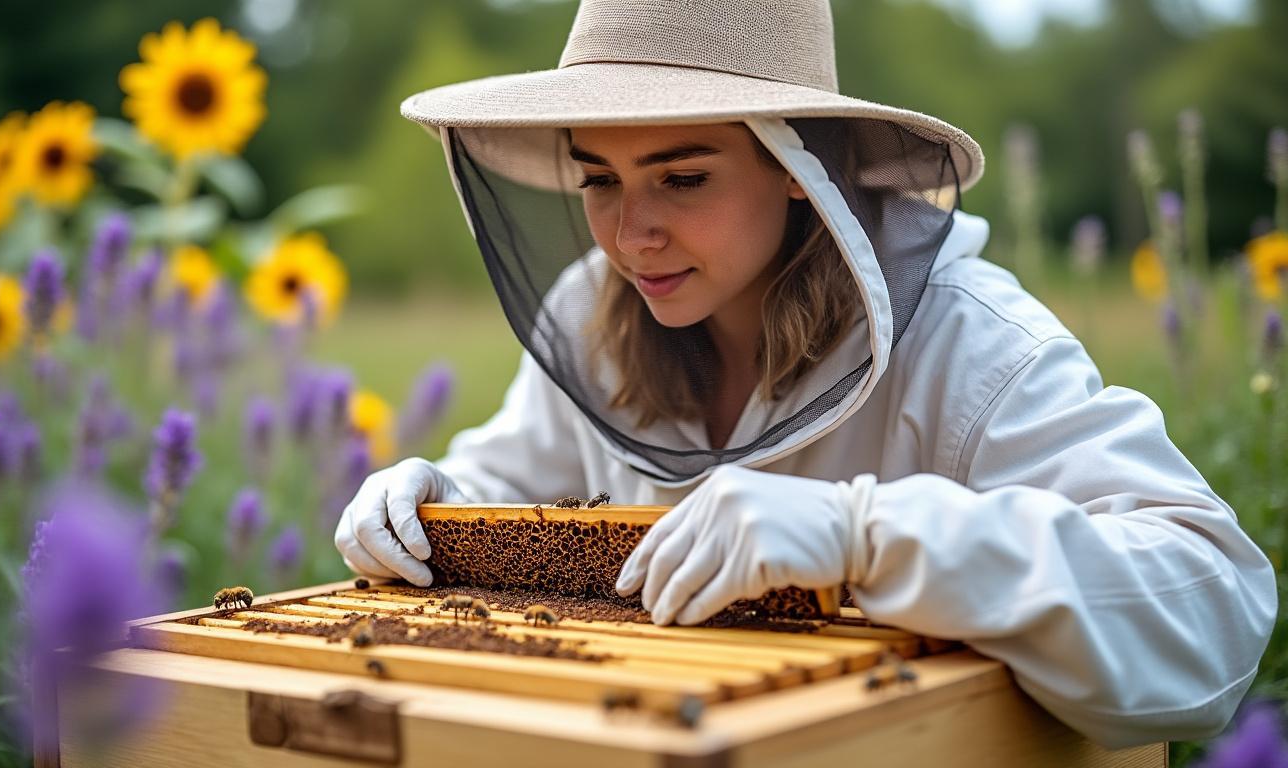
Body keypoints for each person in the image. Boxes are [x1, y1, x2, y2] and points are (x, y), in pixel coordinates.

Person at [334, 0, 1276, 749]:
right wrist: (431, 501)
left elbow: (1214, 606)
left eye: (683, 177)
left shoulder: (973, 344)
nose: (631, 233)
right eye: (600, 179)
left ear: (799, 166)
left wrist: (862, 534)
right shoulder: (592, 315)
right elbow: (515, 484)